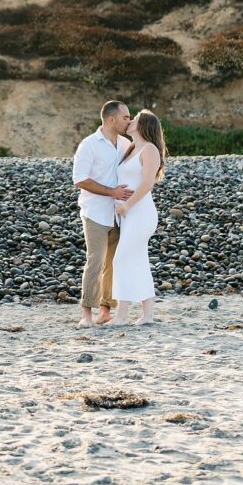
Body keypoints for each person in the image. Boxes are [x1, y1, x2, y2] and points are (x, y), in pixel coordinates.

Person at [72, 101, 133, 327]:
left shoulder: (126, 144)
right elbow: (80, 179)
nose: (129, 121)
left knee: (113, 263)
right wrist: (111, 192)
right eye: (126, 117)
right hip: (95, 212)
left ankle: (105, 310)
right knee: (95, 261)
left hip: (118, 214)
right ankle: (86, 314)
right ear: (111, 119)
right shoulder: (89, 145)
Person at [111, 109, 165, 326]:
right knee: (139, 261)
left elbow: (147, 184)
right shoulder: (132, 148)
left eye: (135, 119)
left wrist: (127, 205)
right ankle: (147, 315)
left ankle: (122, 316)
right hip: (128, 214)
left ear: (144, 126)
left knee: (121, 259)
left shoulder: (150, 149)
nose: (130, 121)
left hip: (141, 212)